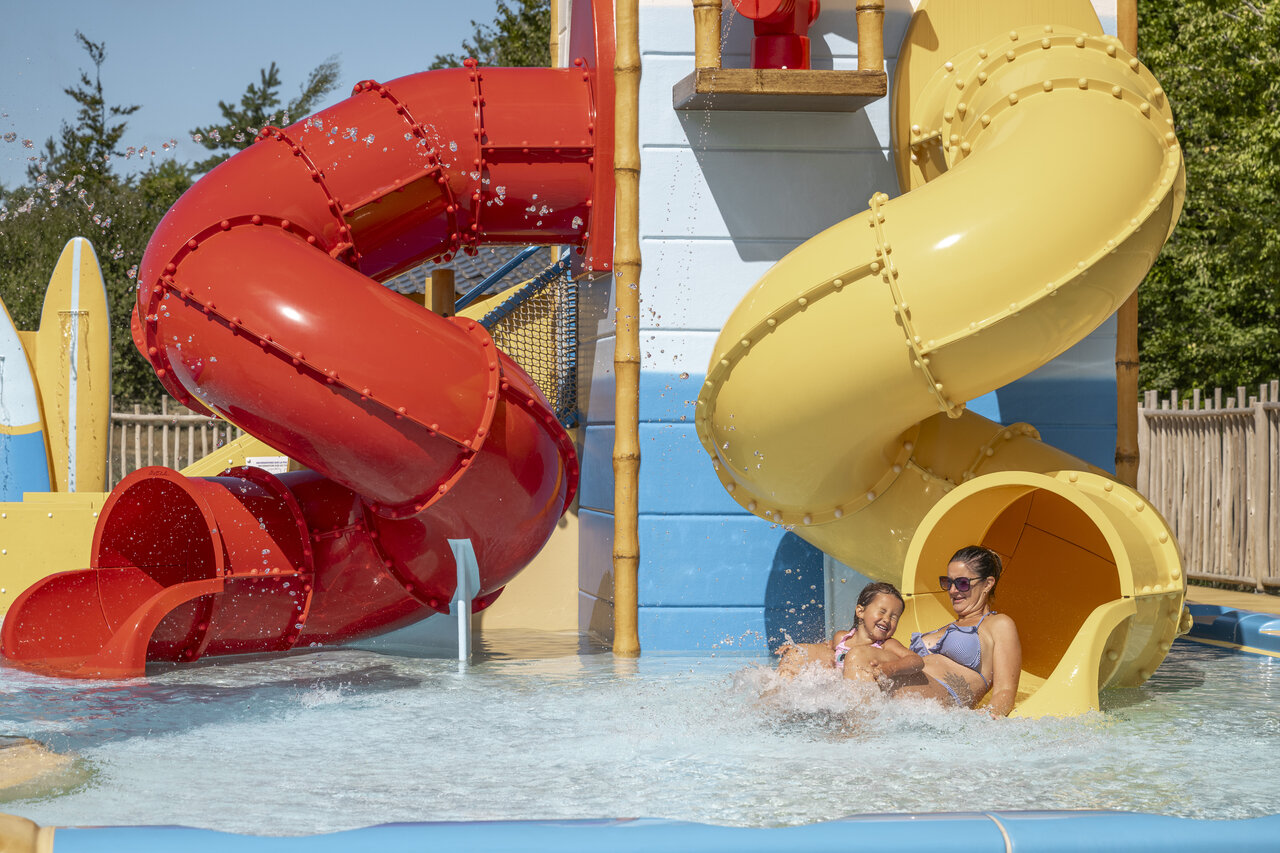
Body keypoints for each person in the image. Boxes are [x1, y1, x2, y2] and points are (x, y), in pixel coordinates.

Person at [888, 545, 1022, 717]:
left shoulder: (998, 624)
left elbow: (1005, 692)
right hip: (897, 705)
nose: (952, 590)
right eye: (948, 582)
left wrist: (984, 722)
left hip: (932, 711)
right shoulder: (944, 627)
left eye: (962, 583)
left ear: (987, 584)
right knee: (859, 656)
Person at [775, 582, 919, 685]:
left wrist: (891, 668)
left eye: (894, 617)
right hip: (840, 690)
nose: (887, 620)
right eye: (882, 612)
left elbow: (916, 661)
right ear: (860, 611)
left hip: (861, 691)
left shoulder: (887, 644)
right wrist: (798, 649)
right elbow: (828, 650)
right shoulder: (841, 637)